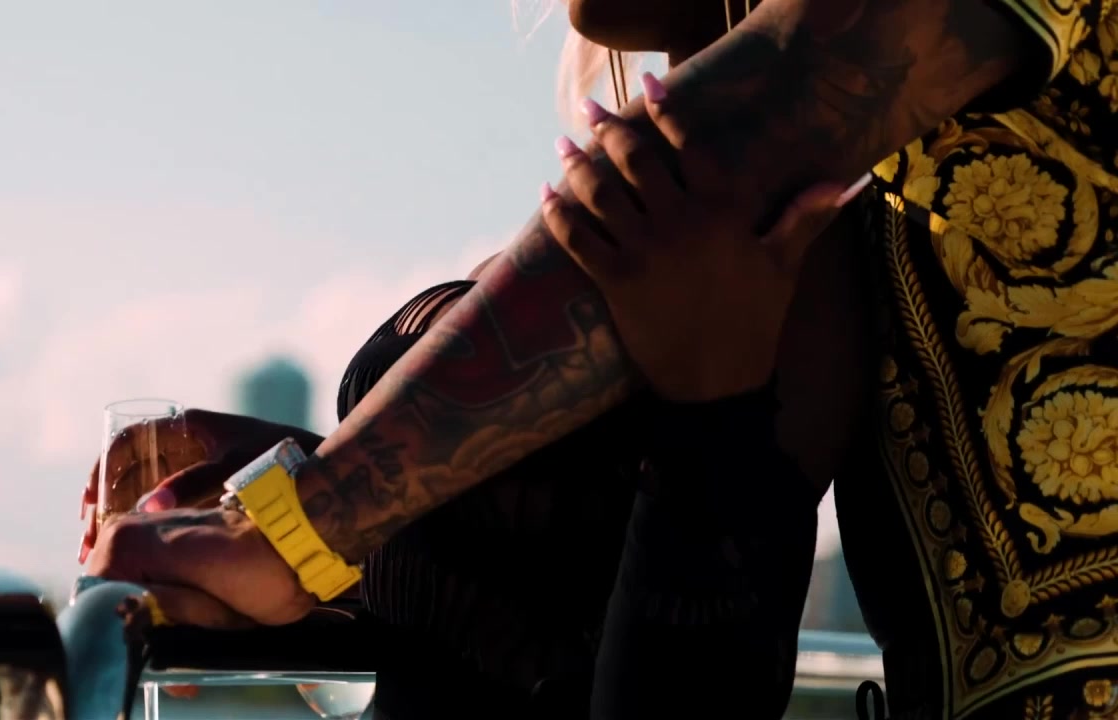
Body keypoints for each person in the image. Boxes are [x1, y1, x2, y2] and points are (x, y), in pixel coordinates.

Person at [88, 0, 1118, 715]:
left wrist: (291, 526)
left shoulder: (759, 204)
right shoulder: (775, 206)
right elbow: (542, 583)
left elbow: (697, 569)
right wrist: (294, 485)